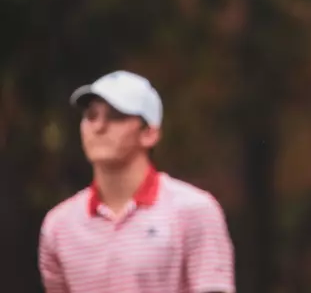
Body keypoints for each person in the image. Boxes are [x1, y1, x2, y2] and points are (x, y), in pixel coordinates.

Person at [38, 70, 236, 293]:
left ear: (149, 133)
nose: (99, 127)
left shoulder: (194, 211)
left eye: (116, 116)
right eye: (91, 116)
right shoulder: (59, 226)